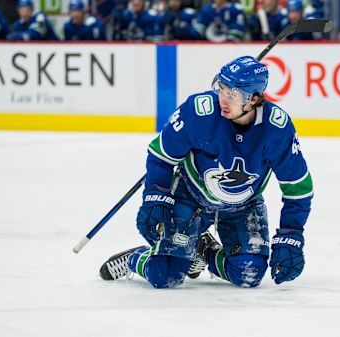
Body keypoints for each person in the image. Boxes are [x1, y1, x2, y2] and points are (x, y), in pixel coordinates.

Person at [99, 55, 314, 289]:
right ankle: (137, 258)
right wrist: (155, 196)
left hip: (243, 204)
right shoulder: (198, 111)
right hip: (189, 196)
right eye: (221, 89)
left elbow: (298, 188)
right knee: (165, 275)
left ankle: (203, 250)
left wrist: (292, 235)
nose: (223, 99)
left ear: (253, 99)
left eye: (232, 95)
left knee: (248, 275)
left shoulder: (277, 129)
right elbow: (161, 155)